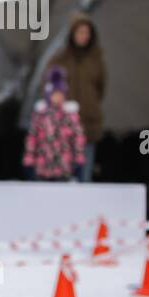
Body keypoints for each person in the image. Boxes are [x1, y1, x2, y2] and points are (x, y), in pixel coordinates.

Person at [47, 12, 106, 182]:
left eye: (87, 33)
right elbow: (49, 86)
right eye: (80, 32)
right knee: (63, 177)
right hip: (64, 128)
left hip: (88, 127)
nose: (83, 36)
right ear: (72, 34)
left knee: (85, 177)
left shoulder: (97, 60)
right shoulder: (60, 59)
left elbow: (101, 89)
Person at [22, 66, 85, 181]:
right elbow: (32, 138)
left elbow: (78, 138)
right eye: (55, 94)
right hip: (43, 166)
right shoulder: (40, 115)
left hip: (64, 167)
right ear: (48, 95)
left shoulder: (70, 115)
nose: (58, 97)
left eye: (61, 94)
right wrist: (29, 159)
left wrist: (78, 159)